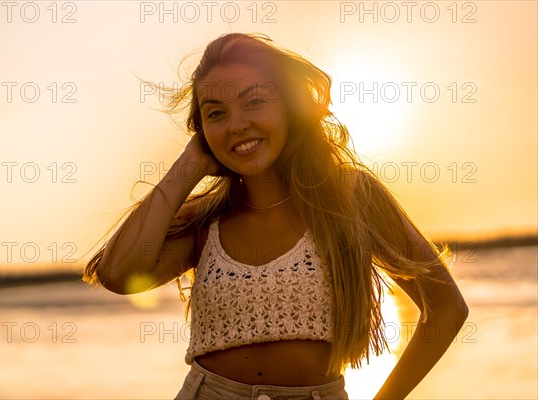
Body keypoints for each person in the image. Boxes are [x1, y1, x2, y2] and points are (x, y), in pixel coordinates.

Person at [83, 33, 469, 400]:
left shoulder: (351, 198)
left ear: (289, 107)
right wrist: (188, 166)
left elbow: (446, 308)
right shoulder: (207, 222)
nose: (236, 124)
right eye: (215, 113)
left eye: (254, 102)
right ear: (201, 131)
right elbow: (117, 274)